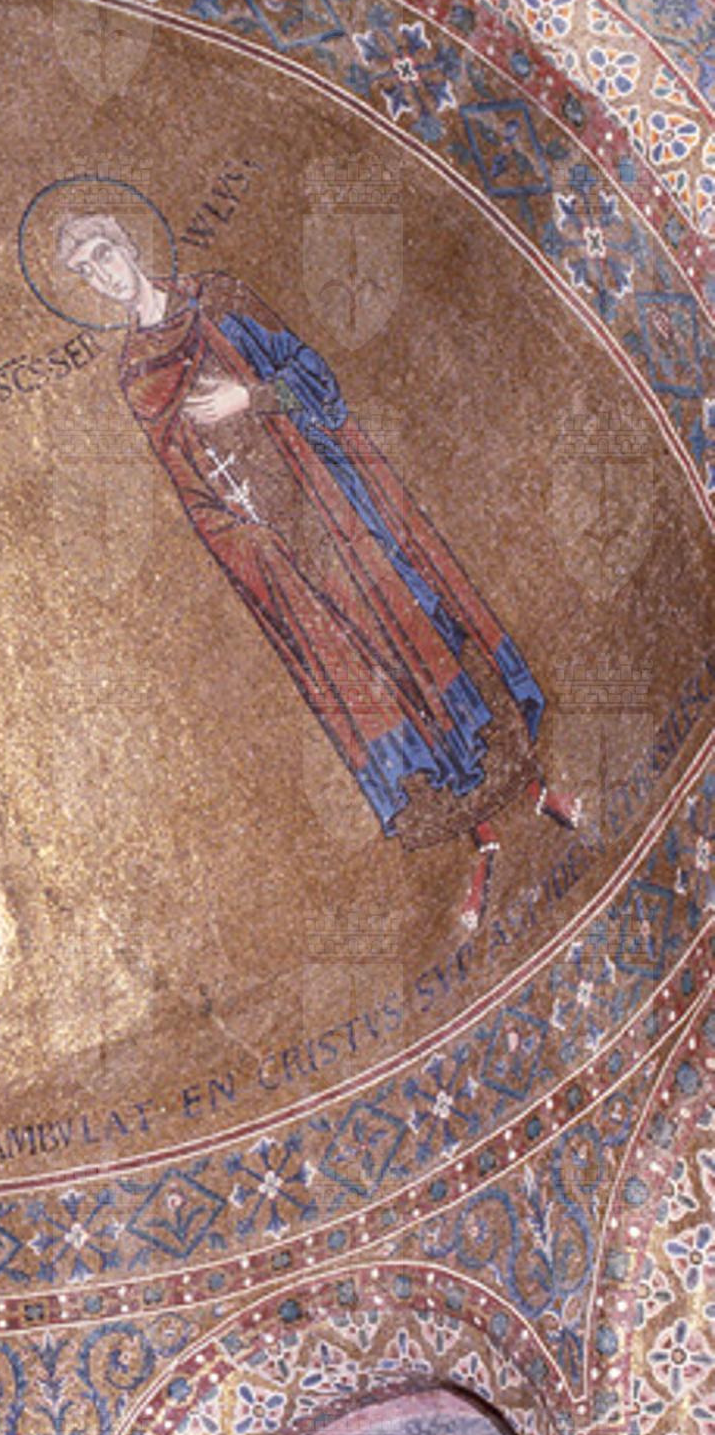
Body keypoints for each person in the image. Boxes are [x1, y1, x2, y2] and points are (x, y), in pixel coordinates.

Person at [55, 212, 577, 932]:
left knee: (425, 622)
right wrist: (245, 546)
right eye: (86, 271)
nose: (103, 275)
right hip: (279, 547)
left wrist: (252, 397)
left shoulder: (218, 300)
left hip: (335, 500)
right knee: (378, 673)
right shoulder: (136, 377)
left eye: (103, 253)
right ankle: (481, 841)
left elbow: (316, 381)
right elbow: (187, 485)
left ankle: (535, 789)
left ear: (128, 245)